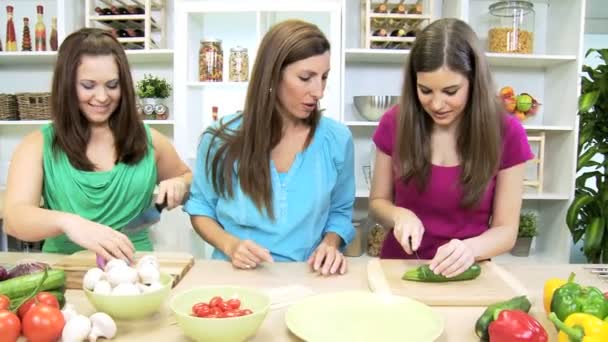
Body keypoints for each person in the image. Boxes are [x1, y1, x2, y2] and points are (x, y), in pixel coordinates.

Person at [3, 28, 192, 262]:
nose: (102, 97)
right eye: (88, 85)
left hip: (135, 273)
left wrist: (180, 184)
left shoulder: (150, 141)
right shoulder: (37, 145)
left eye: (112, 85)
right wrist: (70, 223)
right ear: (67, 85)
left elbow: (188, 178)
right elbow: (14, 219)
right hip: (63, 273)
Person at [185, 19, 355, 275]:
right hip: (235, 278)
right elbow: (200, 210)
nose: (318, 91)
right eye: (305, 78)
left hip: (308, 279)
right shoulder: (219, 137)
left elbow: (340, 212)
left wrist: (330, 244)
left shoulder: (337, 139)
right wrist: (231, 246)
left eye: (324, 77)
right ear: (272, 74)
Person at [369, 18, 534, 278]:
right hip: (399, 271)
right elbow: (378, 202)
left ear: (474, 82)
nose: (437, 104)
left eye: (450, 91)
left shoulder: (507, 132)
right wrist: (399, 215)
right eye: (425, 90)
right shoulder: (394, 123)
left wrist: (471, 249)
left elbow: (506, 230)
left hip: (468, 272)